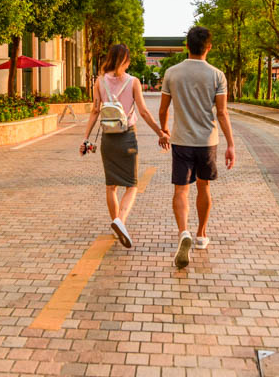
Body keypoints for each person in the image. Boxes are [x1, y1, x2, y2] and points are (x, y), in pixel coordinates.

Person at [159, 26, 236, 269]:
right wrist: (231, 144)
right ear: (209, 47)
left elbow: (163, 109)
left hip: (181, 140)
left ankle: (184, 232)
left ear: (186, 46)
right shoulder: (217, 75)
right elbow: (222, 113)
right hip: (207, 142)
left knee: (181, 191)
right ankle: (201, 234)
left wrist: (164, 130)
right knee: (204, 187)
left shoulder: (172, 73)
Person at [81, 44, 170, 248]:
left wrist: (85, 138)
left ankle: (115, 224)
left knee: (111, 185)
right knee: (131, 185)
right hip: (128, 136)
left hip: (107, 139)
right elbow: (144, 112)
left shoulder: (99, 81)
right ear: (126, 61)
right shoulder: (133, 82)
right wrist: (161, 133)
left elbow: (95, 111)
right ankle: (120, 220)